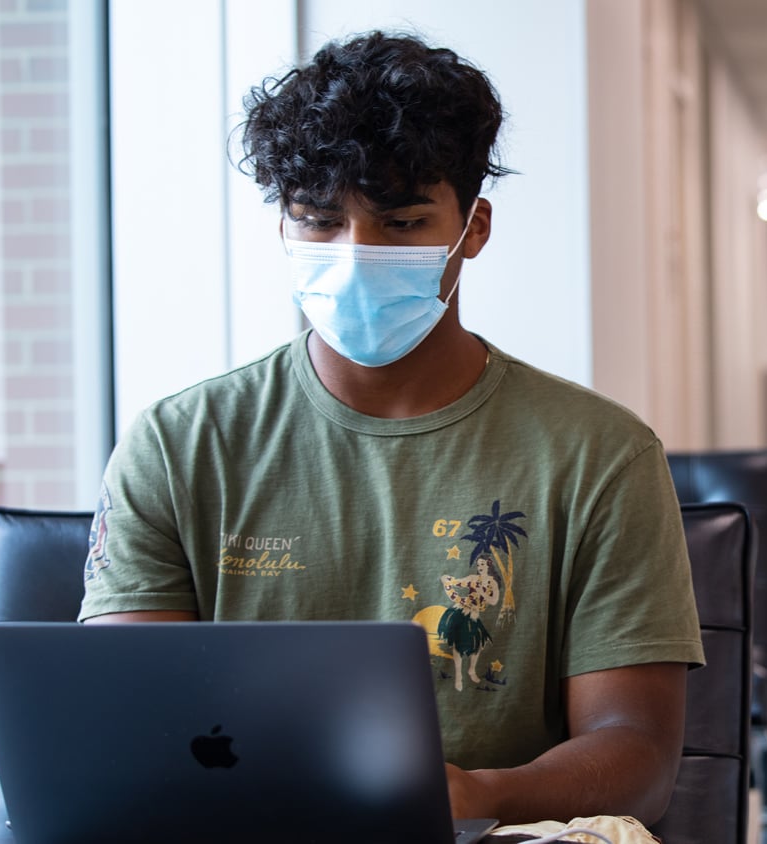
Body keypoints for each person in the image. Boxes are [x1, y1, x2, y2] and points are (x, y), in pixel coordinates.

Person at [77, 31, 705, 827]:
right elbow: (128, 726)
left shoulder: (600, 457)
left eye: (402, 224)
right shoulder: (178, 446)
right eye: (320, 221)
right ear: (282, 226)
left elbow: (637, 755)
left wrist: (479, 794)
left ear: (472, 228)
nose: (355, 256)